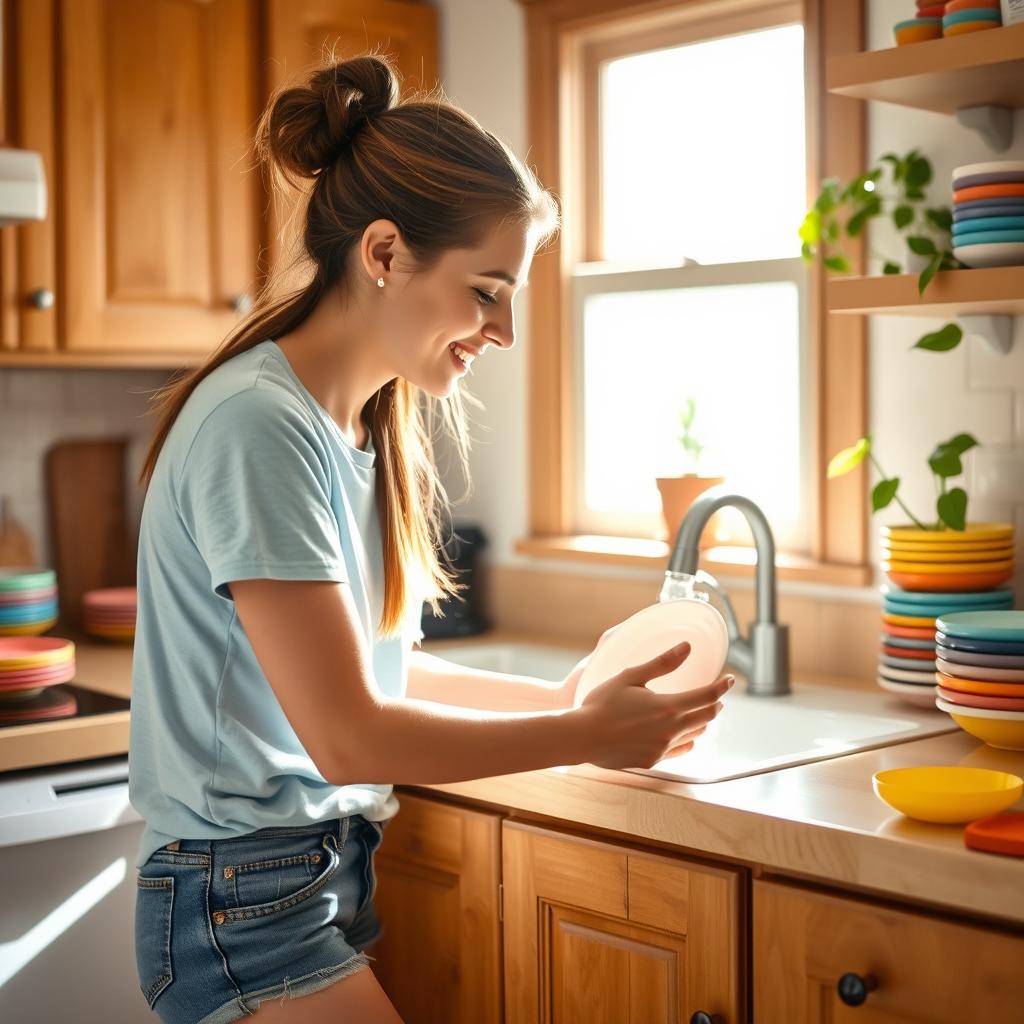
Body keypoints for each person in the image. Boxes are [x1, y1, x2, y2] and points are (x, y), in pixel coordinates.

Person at [128, 53, 733, 1024]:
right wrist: (581, 732)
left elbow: (379, 674)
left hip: (305, 885)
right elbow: (347, 736)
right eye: (487, 289)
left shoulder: (359, 427)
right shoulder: (258, 425)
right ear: (383, 253)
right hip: (238, 906)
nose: (501, 329)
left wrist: (568, 697)